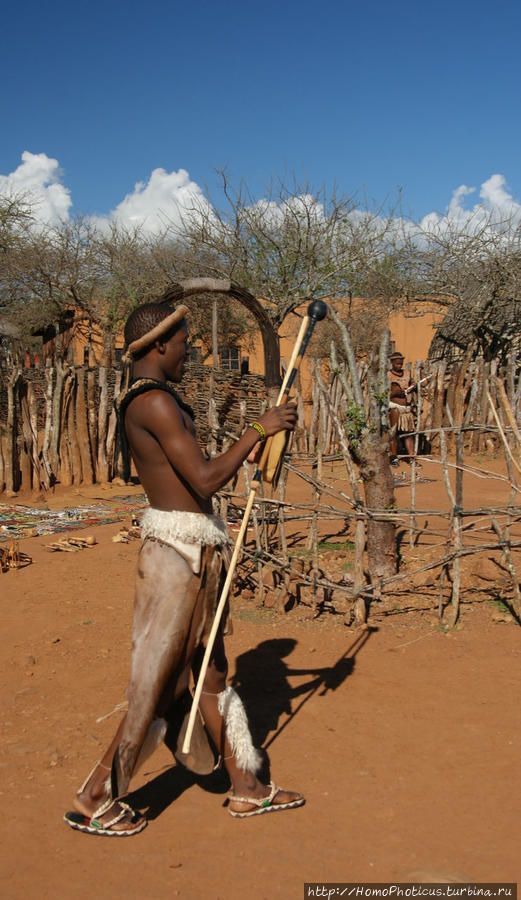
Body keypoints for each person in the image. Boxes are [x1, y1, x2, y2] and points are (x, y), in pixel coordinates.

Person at [63, 301, 305, 836]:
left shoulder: (160, 399)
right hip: (177, 560)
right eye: (184, 342)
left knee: (212, 673)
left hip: (194, 551)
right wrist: (258, 431)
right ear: (158, 346)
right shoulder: (152, 403)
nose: (190, 350)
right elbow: (204, 478)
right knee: (157, 686)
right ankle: (94, 796)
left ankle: (247, 788)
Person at [388, 351, 418, 466]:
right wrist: (396, 392)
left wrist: (414, 386)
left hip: (406, 408)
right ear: (392, 363)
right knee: (394, 432)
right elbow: (386, 392)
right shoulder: (388, 375)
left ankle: (411, 458)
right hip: (394, 407)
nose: (399, 366)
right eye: (397, 364)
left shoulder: (407, 373)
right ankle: (394, 457)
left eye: (401, 364)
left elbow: (413, 384)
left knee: (408, 433)